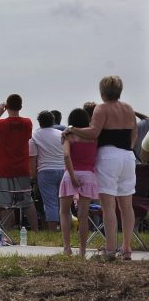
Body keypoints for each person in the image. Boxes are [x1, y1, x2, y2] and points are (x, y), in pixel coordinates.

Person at [64, 76, 138, 260]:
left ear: (102, 91)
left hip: (108, 156)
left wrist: (73, 129)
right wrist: (126, 148)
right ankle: (126, 248)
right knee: (126, 206)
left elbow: (94, 132)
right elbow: (134, 133)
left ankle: (110, 248)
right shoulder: (128, 108)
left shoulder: (102, 108)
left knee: (108, 206)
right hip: (128, 156)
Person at [0, 94, 39, 232]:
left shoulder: (0, 123)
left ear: (7, 107)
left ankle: (7, 230)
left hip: (4, 168)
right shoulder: (27, 122)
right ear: (21, 107)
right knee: (27, 201)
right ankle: (35, 230)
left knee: (6, 202)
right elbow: (27, 137)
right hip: (22, 167)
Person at [59, 107, 97, 257]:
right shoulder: (94, 138)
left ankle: (67, 247)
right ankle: (82, 251)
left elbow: (66, 156)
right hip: (88, 176)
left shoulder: (68, 137)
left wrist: (73, 177)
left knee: (64, 212)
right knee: (83, 215)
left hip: (70, 174)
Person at [29, 110, 64, 231]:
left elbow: (32, 158)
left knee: (50, 204)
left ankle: (53, 231)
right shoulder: (61, 134)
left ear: (39, 122)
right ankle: (66, 230)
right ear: (53, 121)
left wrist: (33, 176)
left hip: (45, 171)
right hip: (63, 171)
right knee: (64, 203)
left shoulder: (34, 136)